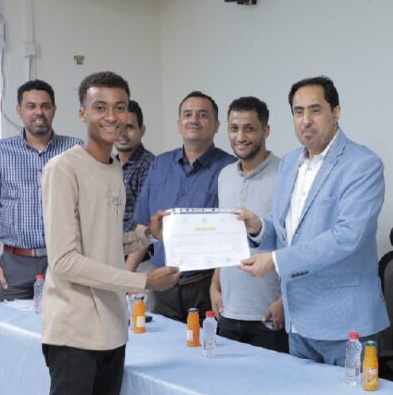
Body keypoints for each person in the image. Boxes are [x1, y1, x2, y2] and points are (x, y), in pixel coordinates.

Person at [39, 71, 179, 395]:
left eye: (120, 107)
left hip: (111, 333)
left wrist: (143, 235)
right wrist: (140, 280)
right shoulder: (63, 169)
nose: (112, 116)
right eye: (100, 107)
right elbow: (65, 260)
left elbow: (100, 243)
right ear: (82, 112)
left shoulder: (114, 168)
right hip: (74, 332)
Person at [240, 76, 388, 366]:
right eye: (298, 112)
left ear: (336, 112)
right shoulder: (289, 163)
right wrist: (260, 228)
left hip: (346, 326)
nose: (306, 120)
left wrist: (275, 261)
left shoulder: (362, 164)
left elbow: (346, 237)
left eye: (315, 110)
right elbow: (290, 234)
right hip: (298, 322)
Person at [0, 78, 81, 395]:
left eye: (45, 105)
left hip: (63, 263)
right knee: (5, 347)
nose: (39, 112)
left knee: (65, 347)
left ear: (54, 109)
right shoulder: (0, 152)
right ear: (19, 110)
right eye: (31, 106)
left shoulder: (74, 150)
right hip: (14, 264)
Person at [133, 91, 236, 321]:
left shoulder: (230, 169)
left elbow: (231, 239)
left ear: (217, 125)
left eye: (202, 115)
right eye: (187, 114)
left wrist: (216, 286)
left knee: (205, 343)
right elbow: (143, 227)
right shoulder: (160, 165)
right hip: (162, 284)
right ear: (179, 124)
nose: (194, 120)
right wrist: (127, 277)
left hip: (206, 286)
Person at [209, 97, 287, 353]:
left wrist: (284, 301)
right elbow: (224, 239)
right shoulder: (224, 176)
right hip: (229, 309)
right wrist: (214, 286)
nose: (240, 136)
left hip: (268, 311)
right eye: (234, 128)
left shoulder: (287, 174)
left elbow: (294, 242)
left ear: (266, 131)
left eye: (249, 128)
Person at [116, 100, 154, 269]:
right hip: (110, 257)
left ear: (142, 130)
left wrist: (127, 272)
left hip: (137, 261)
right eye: (118, 127)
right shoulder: (109, 164)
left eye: (129, 127)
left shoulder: (149, 166)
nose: (122, 133)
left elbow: (146, 223)